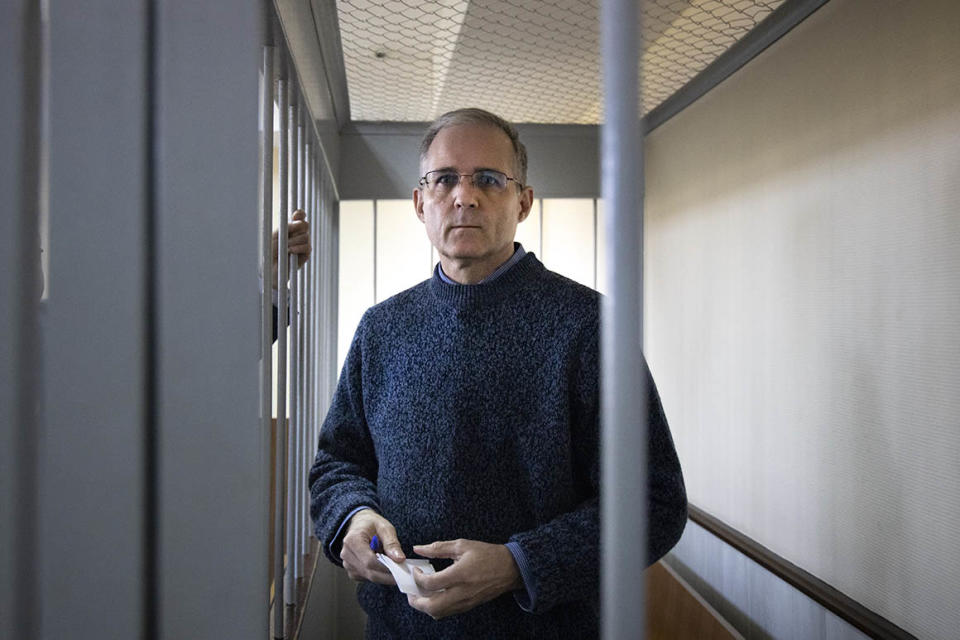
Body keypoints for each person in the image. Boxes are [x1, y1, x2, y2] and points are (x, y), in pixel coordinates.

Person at [309, 108, 686, 638]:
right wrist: (350, 519)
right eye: (444, 180)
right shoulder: (382, 329)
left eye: (488, 179)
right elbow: (337, 462)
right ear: (421, 204)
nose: (464, 196)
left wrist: (520, 564)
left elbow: (654, 501)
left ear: (523, 202)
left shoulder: (590, 326)